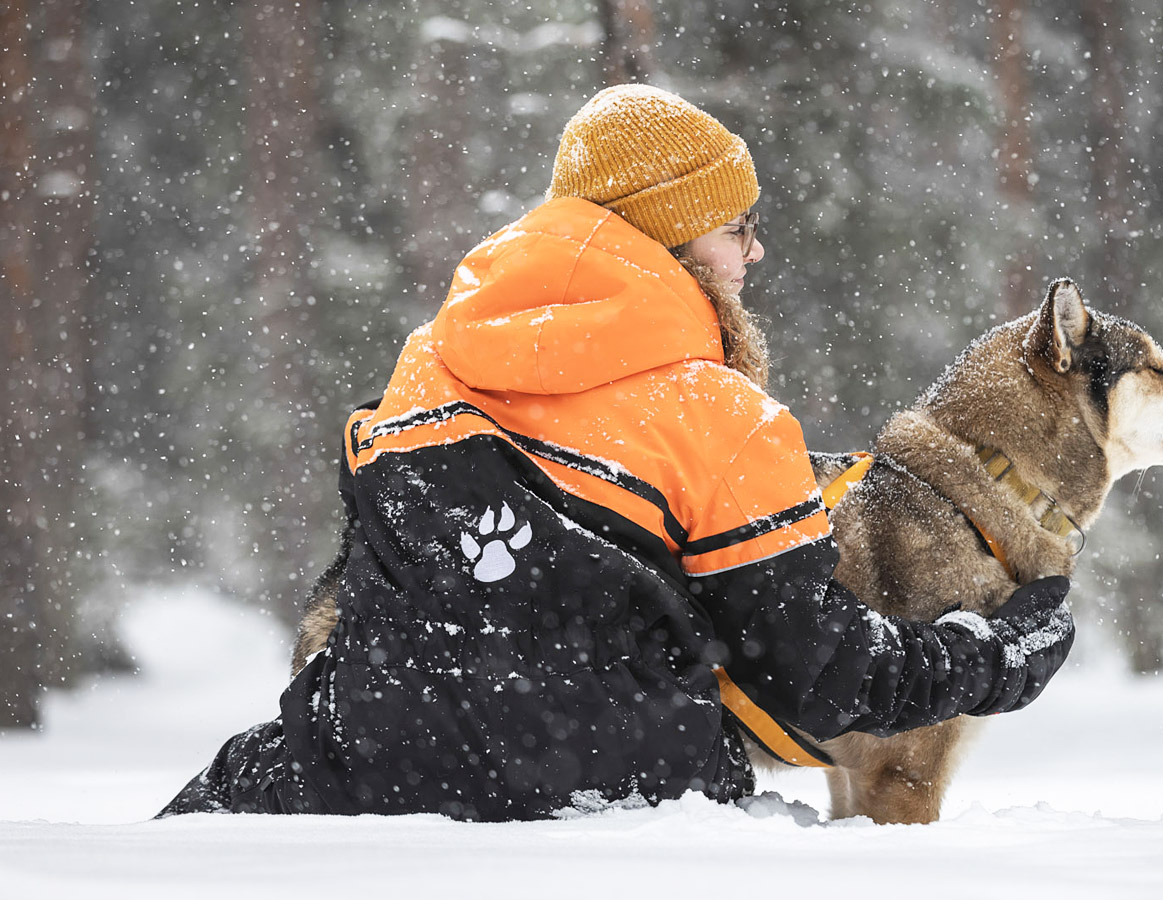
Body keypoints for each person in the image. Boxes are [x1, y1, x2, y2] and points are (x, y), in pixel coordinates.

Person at [159, 84, 1075, 822]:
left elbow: (358, 596)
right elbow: (820, 673)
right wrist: (993, 655)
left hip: (368, 772)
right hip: (624, 798)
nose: (755, 254)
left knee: (172, 843)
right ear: (670, 238)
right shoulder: (721, 413)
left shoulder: (426, 366)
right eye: (736, 229)